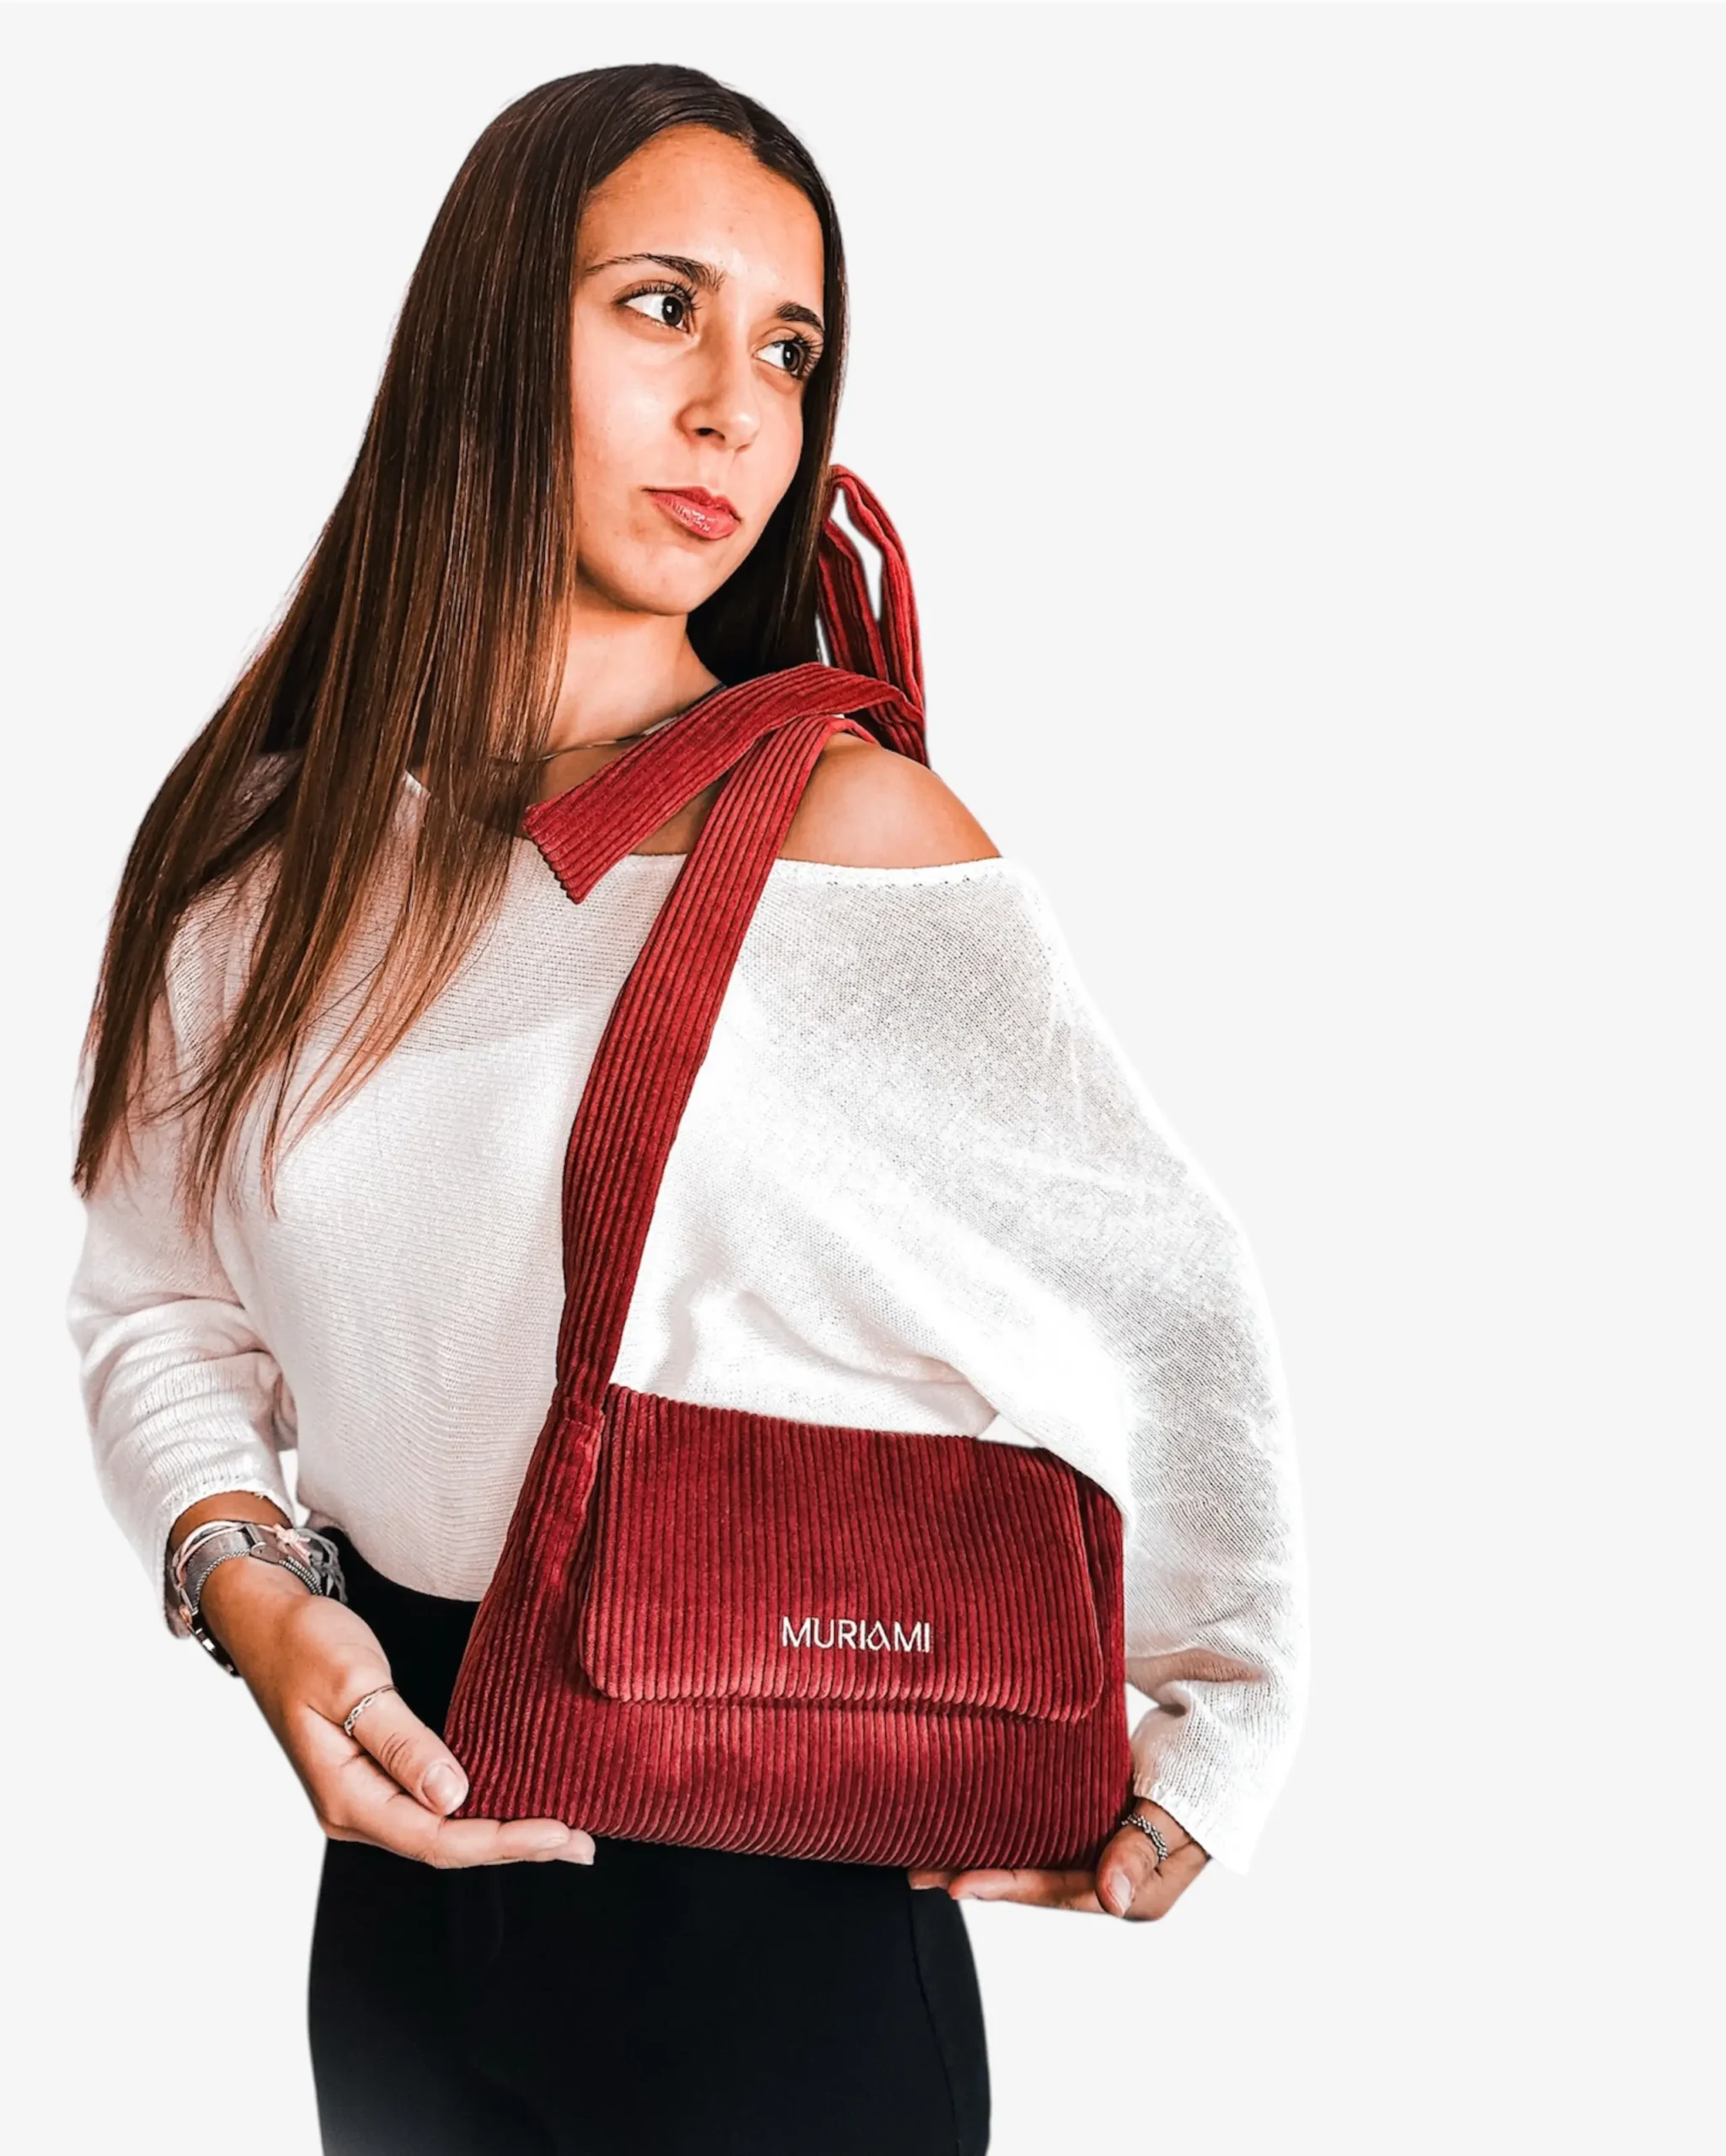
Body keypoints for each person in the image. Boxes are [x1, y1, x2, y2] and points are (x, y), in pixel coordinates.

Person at [65, 61, 1309, 2156]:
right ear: (488, 329)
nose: (738, 404)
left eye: (791, 348)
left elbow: (1166, 1298)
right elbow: (160, 1300)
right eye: (663, 307)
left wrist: (1219, 1731)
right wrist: (249, 1592)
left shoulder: (845, 832)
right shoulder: (260, 855)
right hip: (396, 1887)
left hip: (768, 1920)